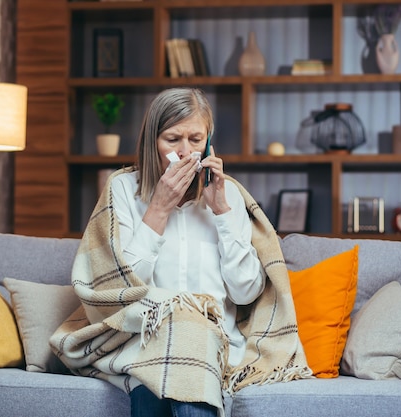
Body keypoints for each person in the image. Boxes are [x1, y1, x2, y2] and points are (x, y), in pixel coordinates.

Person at [50, 88, 311, 417]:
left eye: (196, 139)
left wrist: (223, 215)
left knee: (190, 334)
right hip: (144, 340)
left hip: (214, 344)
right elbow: (118, 290)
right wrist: (158, 209)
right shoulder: (123, 191)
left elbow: (245, 292)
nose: (186, 152)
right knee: (166, 349)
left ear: (209, 141)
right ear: (152, 143)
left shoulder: (227, 194)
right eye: (173, 139)